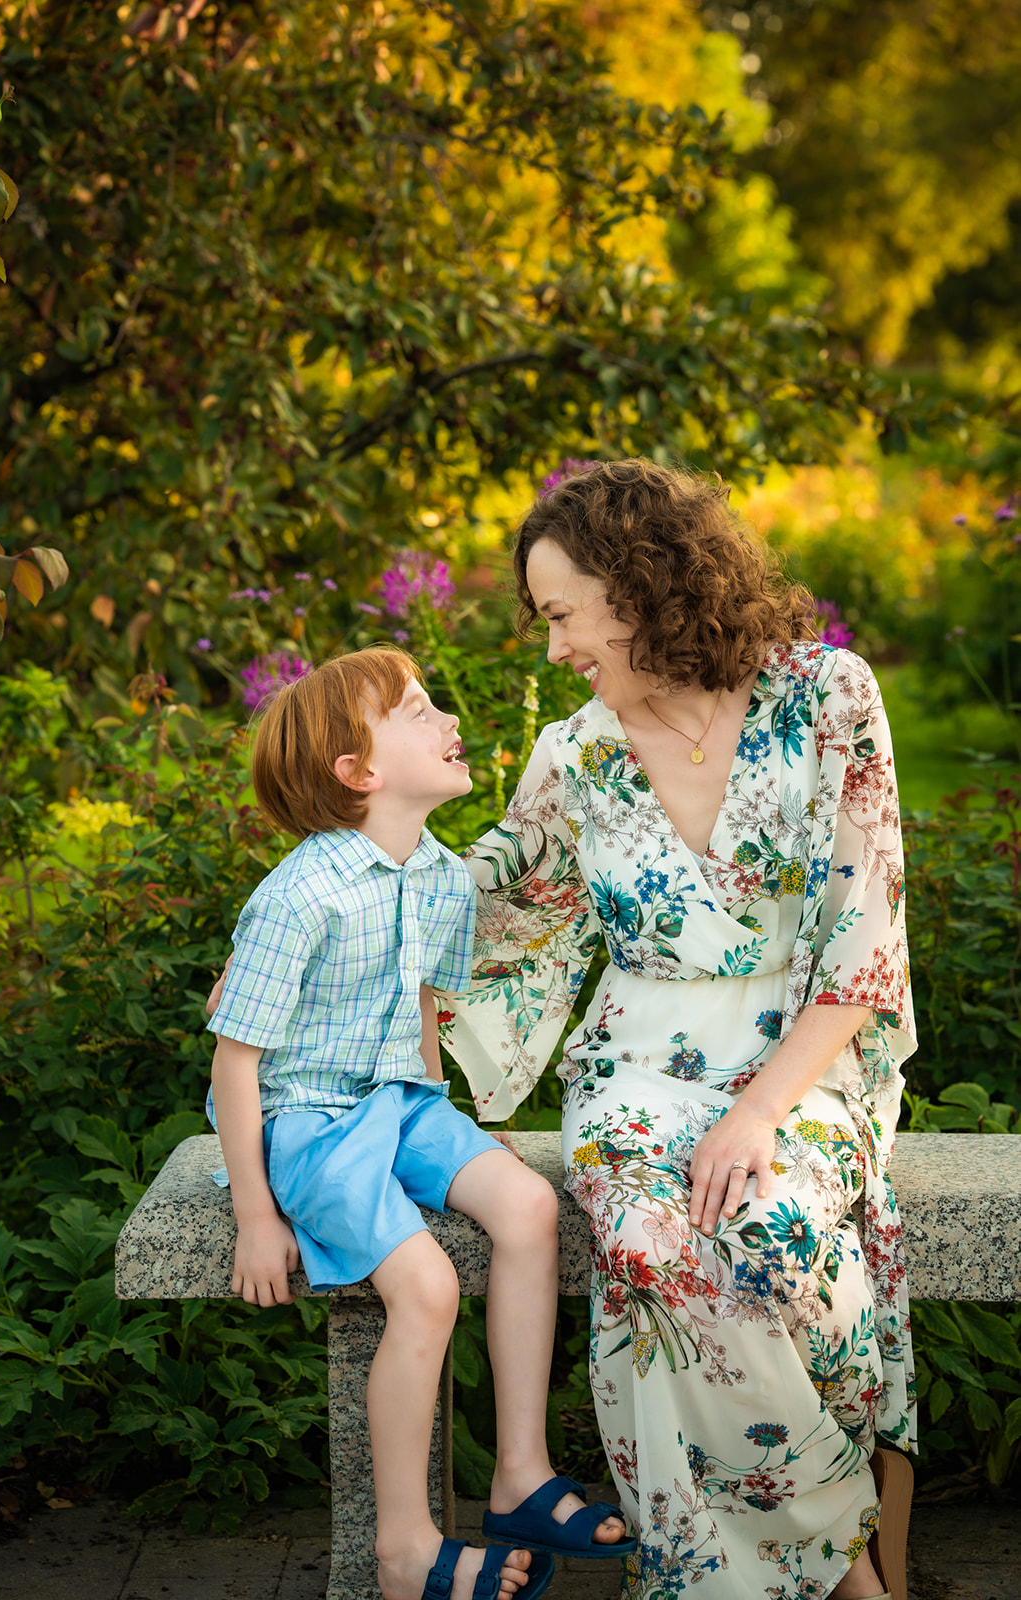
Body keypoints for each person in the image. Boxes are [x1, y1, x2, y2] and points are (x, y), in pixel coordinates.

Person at [439, 461, 917, 1600]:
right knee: (653, 1248)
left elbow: (864, 948)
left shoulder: (826, 697)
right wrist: (322, 932)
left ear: (639, 584)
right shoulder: (574, 755)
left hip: (805, 1061)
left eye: (561, 614)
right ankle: (850, 1580)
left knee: (770, 1246)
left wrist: (757, 1111)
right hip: (634, 1069)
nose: (551, 647)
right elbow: (478, 907)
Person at [205, 645, 631, 1600]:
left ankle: (519, 1474)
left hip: (401, 1103)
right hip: (308, 1120)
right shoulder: (298, 896)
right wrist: (255, 1215)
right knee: (428, 1286)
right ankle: (403, 1546)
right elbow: (237, 1062)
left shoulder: (439, 877)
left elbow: (424, 1019)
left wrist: (452, 1133)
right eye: (419, 711)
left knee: (525, 1205)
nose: (449, 723)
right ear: (359, 774)